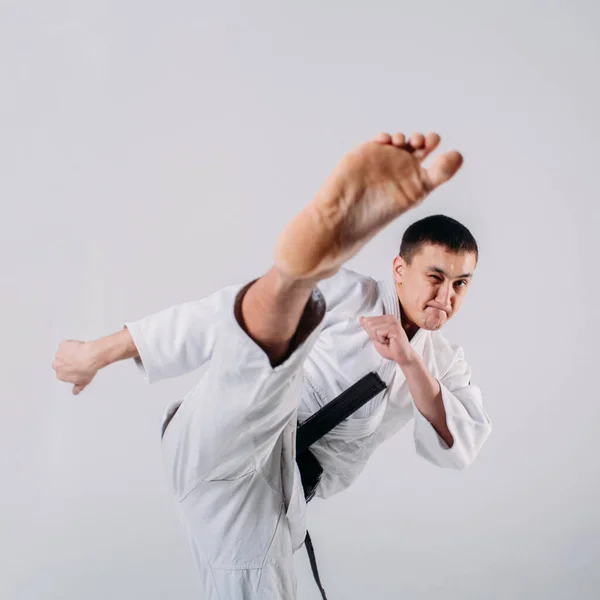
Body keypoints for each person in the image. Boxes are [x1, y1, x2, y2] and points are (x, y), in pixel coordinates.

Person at [53, 131, 492, 599]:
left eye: (461, 284)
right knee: (275, 369)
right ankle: (293, 276)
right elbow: (215, 314)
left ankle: (291, 282)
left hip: (268, 498)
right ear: (399, 270)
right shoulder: (353, 295)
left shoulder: (443, 364)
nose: (446, 297)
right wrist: (95, 353)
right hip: (222, 436)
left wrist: (408, 361)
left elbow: (460, 443)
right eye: (436, 277)